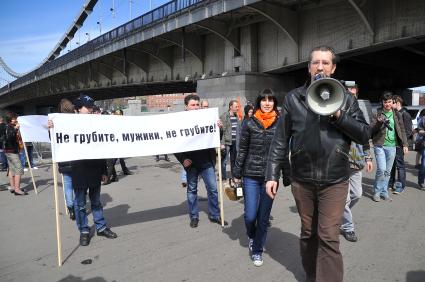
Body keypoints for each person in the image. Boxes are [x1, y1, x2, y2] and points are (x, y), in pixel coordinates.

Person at [265, 46, 370, 282]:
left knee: (329, 236)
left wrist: (338, 115)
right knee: (308, 234)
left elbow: (364, 135)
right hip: (302, 180)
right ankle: (313, 275)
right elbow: (280, 140)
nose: (320, 67)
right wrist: (272, 174)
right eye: (315, 63)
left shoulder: (347, 98)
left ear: (332, 68)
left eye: (325, 63)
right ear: (309, 67)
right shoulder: (294, 98)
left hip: (335, 180)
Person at [50, 94, 117, 246]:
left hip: (94, 168)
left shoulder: (96, 123)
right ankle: (84, 231)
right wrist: (51, 128)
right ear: (78, 109)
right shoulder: (68, 125)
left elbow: (101, 148)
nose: (91, 109)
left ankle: (101, 227)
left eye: (92, 106)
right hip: (79, 170)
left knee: (96, 202)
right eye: (88, 107)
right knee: (80, 204)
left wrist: (104, 171)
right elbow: (56, 139)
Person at [233, 89, 283, 267]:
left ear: (275, 103)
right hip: (250, 176)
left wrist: (287, 175)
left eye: (270, 100)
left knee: (263, 217)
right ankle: (252, 235)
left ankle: (257, 250)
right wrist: (236, 174)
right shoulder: (249, 123)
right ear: (258, 102)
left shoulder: (280, 123)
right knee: (249, 216)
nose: (267, 103)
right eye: (264, 100)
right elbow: (242, 150)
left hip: (270, 177)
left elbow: (283, 151)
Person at [174, 94, 225, 228]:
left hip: (206, 161)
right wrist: (183, 159)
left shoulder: (207, 118)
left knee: (213, 189)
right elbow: (173, 142)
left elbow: (216, 137)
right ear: (186, 106)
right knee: (192, 190)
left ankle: (215, 215)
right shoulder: (179, 121)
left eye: (197, 105)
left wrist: (219, 128)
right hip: (191, 163)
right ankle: (194, 216)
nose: (196, 108)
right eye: (193, 105)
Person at [340, 84, 373, 243]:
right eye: (348, 93)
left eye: (353, 94)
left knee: (357, 194)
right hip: (342, 163)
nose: (350, 96)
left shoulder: (359, 115)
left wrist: (368, 158)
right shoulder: (338, 115)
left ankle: (338, 213)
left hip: (357, 161)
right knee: (344, 199)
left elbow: (365, 137)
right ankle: (348, 227)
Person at [370, 92, 408, 202]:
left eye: (389, 102)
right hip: (380, 145)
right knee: (381, 169)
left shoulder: (397, 114)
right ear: (382, 102)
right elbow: (371, 129)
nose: (387, 104)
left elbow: (402, 130)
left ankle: (384, 192)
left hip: (392, 146)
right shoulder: (377, 113)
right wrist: (378, 123)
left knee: (387, 171)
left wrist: (405, 144)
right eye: (385, 102)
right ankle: (377, 192)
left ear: (393, 102)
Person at [388, 95, 412, 194]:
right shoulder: (394, 113)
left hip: (400, 145)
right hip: (392, 144)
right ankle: (390, 183)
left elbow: (408, 131)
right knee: (392, 165)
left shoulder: (405, 114)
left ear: (397, 103)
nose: (389, 104)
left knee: (399, 165)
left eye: (391, 102)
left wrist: (403, 144)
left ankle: (400, 186)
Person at [57, 98, 76, 220]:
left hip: (64, 159)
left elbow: (53, 139)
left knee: (68, 185)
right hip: (76, 158)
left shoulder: (57, 122)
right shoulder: (76, 121)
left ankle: (71, 208)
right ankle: (78, 206)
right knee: (78, 185)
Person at [4, 115, 27, 195]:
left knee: (11, 169)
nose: (16, 120)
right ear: (10, 120)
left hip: (9, 150)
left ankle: (13, 187)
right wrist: (16, 128)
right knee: (19, 168)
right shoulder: (9, 127)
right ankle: (17, 189)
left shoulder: (9, 127)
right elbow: (10, 137)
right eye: (14, 119)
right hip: (11, 151)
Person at [220, 100, 241, 180]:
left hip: (235, 141)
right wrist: (222, 143)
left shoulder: (237, 116)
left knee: (234, 160)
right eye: (236, 106)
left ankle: (233, 176)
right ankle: (224, 176)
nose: (238, 108)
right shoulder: (224, 116)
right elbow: (222, 131)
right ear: (230, 107)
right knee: (224, 161)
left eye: (238, 106)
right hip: (227, 142)